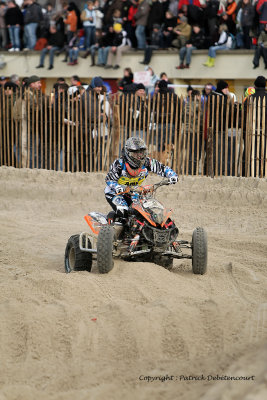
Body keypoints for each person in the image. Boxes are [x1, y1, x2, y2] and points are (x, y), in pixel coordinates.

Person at [104, 137, 178, 222]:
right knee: (124, 211)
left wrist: (172, 175)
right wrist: (118, 187)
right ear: (128, 153)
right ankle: (112, 221)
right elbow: (109, 179)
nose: (139, 156)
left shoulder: (147, 162)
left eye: (141, 153)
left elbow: (162, 168)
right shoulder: (119, 164)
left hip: (134, 191)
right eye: (136, 153)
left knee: (141, 212)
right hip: (114, 192)